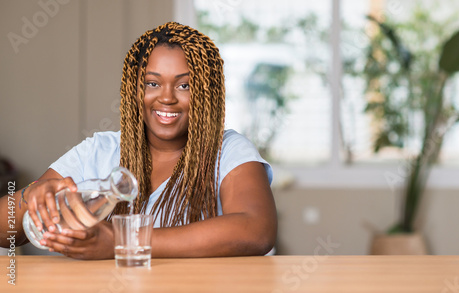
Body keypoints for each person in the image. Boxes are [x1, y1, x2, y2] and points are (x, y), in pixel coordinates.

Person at [0, 22, 277, 259]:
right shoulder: (99, 151)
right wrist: (28, 198)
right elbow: (5, 233)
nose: (166, 97)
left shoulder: (228, 150)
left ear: (206, 93)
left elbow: (256, 230)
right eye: (152, 83)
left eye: (185, 85)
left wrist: (123, 241)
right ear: (135, 89)